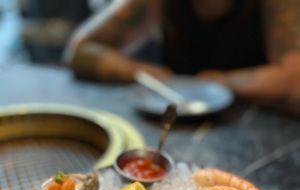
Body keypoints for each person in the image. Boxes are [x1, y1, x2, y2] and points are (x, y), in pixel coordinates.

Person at [65, 0, 300, 115]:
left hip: (253, 123)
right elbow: (80, 50)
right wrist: (146, 74)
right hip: (173, 120)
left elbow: (293, 76)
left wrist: (216, 83)